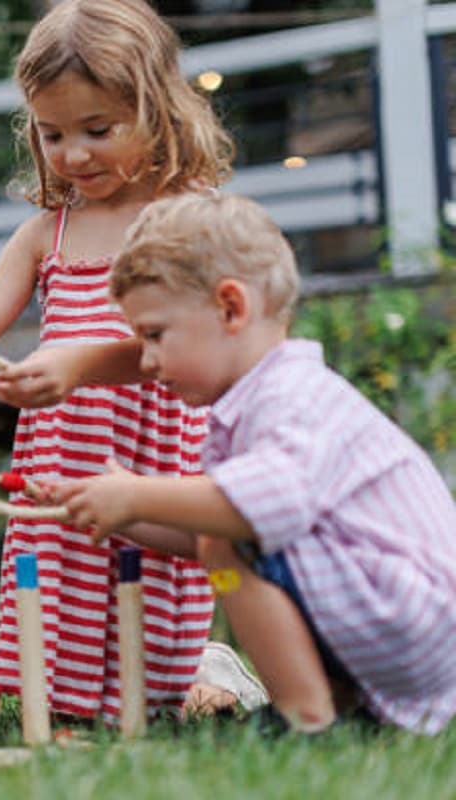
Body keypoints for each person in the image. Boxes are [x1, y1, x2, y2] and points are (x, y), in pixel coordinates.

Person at [0, 0, 243, 723]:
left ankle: (196, 678)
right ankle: (63, 701)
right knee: (58, 590)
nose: (73, 155)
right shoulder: (43, 235)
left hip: (151, 456)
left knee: (149, 595)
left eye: (97, 130)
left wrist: (78, 364)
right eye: (52, 134)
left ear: (157, 113)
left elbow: (187, 347)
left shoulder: (184, 217)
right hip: (60, 459)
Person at [38, 191, 456, 734]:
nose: (147, 362)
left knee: (224, 544)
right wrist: (115, 512)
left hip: (414, 620)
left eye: (155, 335)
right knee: (222, 541)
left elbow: (243, 522)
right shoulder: (250, 409)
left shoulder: (291, 396)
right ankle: (339, 711)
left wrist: (135, 493)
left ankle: (306, 721)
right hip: (399, 621)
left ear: (231, 308)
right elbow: (214, 530)